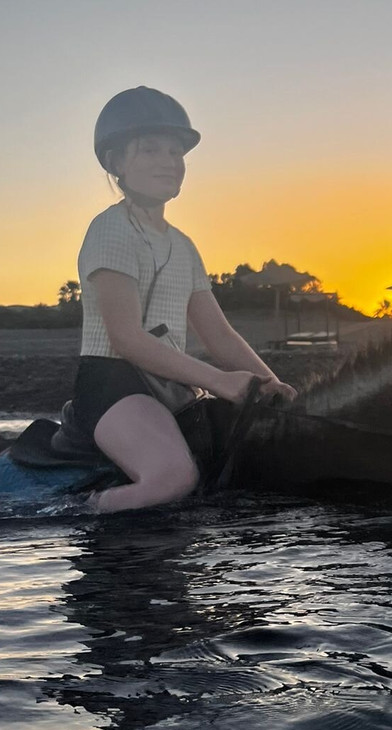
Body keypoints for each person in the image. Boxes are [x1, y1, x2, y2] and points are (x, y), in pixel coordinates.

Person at [70, 86, 296, 513]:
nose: (168, 162)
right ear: (116, 161)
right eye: (151, 150)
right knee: (173, 478)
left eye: (176, 153)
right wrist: (220, 382)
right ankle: (80, 512)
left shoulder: (184, 246)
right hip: (114, 383)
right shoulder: (110, 230)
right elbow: (127, 339)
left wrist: (269, 383)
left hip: (174, 387)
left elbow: (219, 335)